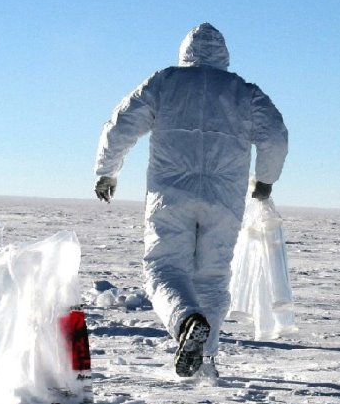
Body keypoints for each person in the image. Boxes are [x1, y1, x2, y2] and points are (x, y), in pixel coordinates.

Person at [94, 23, 288, 377]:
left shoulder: (165, 82)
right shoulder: (244, 92)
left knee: (164, 269)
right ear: (224, 55)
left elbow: (122, 123)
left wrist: (107, 170)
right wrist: (264, 181)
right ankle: (206, 360)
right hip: (224, 199)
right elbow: (276, 135)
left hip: (171, 194)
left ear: (186, 51)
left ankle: (185, 322)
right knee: (213, 278)